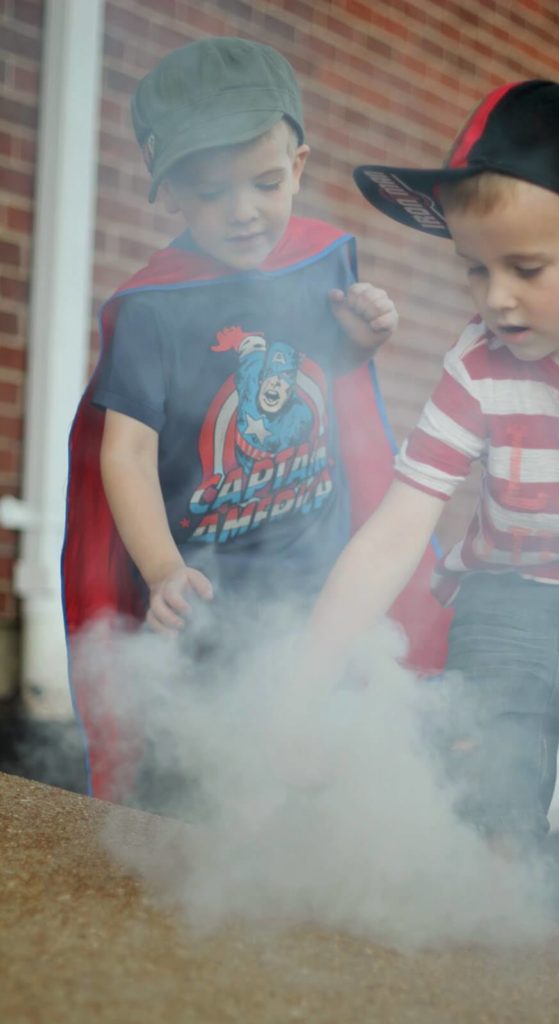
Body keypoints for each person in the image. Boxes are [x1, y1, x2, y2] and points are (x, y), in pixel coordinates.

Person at [306, 80, 559, 960]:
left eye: (526, 268)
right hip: (505, 605)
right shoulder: (478, 366)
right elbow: (400, 527)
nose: (496, 300)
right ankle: (491, 976)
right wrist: (305, 671)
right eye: (475, 269)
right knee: (490, 800)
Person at [62, 37, 451, 804]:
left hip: (322, 584)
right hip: (212, 601)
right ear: (167, 191)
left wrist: (364, 336)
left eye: (266, 182)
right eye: (210, 192)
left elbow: (331, 378)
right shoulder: (152, 309)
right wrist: (165, 569)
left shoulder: (322, 259)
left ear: (299, 165)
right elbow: (126, 456)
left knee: (325, 779)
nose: (243, 211)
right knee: (202, 789)